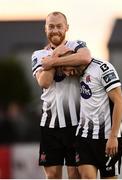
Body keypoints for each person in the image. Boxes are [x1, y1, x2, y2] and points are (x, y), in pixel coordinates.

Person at [31, 11, 91, 179]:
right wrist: (56, 54)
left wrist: (52, 62)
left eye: (59, 26)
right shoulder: (38, 55)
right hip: (49, 124)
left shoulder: (77, 45)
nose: (55, 30)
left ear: (67, 28)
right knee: (52, 175)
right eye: (51, 26)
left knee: (74, 174)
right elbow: (44, 82)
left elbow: (86, 57)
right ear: (45, 29)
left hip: (76, 124)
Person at [61, 57, 122, 179]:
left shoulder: (103, 68)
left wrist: (113, 136)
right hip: (84, 137)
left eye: (66, 68)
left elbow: (119, 102)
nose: (67, 74)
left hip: (108, 138)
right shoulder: (77, 72)